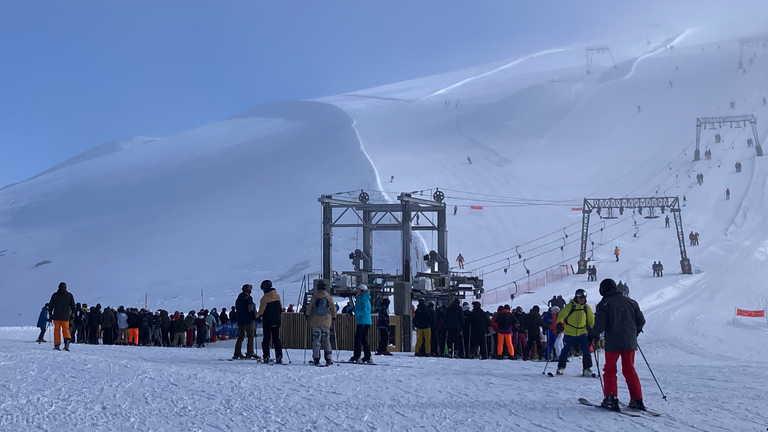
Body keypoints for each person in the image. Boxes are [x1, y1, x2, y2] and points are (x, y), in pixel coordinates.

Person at [592, 278, 646, 411]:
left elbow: (600, 325)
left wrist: (591, 335)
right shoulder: (632, 302)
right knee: (629, 370)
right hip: (630, 341)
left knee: (610, 370)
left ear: (602, 290)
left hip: (613, 342)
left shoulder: (604, 304)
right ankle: (637, 399)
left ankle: (611, 398)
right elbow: (641, 321)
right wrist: (635, 332)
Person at [555, 289, 594, 376]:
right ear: (576, 297)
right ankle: (560, 367)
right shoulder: (570, 306)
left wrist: (592, 330)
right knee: (565, 351)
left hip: (582, 332)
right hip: (570, 333)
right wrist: (560, 323)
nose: (581, 299)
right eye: (580, 297)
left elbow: (591, 319)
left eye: (583, 298)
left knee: (586, 351)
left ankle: (587, 369)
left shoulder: (586, 308)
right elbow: (562, 315)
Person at [306, 280, 337, 365]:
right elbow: (333, 309)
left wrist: (307, 314)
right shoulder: (328, 297)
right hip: (326, 322)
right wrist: (334, 317)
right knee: (326, 340)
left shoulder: (314, 296)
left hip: (315, 321)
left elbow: (309, 308)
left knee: (316, 340)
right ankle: (328, 358)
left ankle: (316, 358)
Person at [254, 280, 283, 362]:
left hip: (267, 322)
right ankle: (279, 356)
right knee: (276, 339)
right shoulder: (277, 296)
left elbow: (261, 311)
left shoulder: (264, 298)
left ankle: (266, 356)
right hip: (277, 321)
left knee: (266, 339)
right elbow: (281, 308)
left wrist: (256, 316)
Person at [48, 282, 76, 351]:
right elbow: (73, 306)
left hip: (56, 316)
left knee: (57, 330)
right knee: (66, 330)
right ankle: (66, 344)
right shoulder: (69, 295)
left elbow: (50, 305)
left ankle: (57, 344)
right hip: (66, 317)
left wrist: (50, 314)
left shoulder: (55, 295)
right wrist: (72, 314)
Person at [350, 284, 372, 363]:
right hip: (363, 321)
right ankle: (367, 356)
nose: (357, 291)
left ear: (362, 290)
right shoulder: (361, 298)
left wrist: (355, 313)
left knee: (358, 338)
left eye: (358, 289)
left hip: (363, 321)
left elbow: (364, 310)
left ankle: (357, 356)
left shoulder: (363, 299)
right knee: (362, 339)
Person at [233, 284, 257, 358]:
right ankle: (250, 352)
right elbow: (250, 309)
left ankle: (237, 352)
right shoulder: (248, 298)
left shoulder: (238, 299)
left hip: (240, 319)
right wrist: (253, 316)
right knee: (250, 335)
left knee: (240, 336)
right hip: (247, 320)